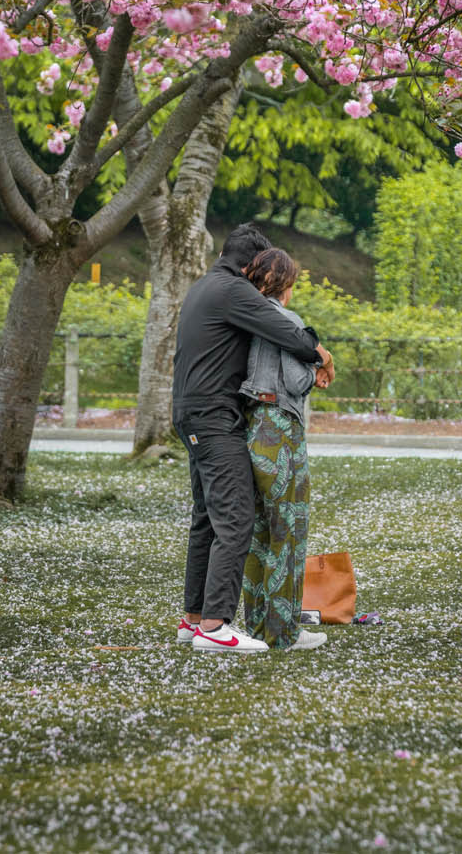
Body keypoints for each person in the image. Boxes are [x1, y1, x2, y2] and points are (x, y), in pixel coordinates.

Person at [172, 225, 333, 653]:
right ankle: (214, 625)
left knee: (207, 518)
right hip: (213, 417)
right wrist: (321, 354)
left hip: (190, 413)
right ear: (249, 267)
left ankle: (192, 621)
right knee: (236, 516)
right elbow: (289, 334)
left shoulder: (205, 285)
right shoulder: (233, 289)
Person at [238, 247, 328, 650]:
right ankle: (285, 631)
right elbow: (295, 381)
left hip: (251, 424)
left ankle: (256, 626)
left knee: (258, 533)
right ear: (287, 284)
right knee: (287, 530)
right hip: (280, 429)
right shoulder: (287, 321)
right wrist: (317, 369)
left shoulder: (244, 318)